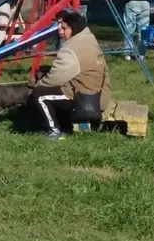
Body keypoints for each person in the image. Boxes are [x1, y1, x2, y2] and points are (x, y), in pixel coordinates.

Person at [27, 8, 111, 141]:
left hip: (85, 101)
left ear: (74, 28)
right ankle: (65, 123)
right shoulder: (88, 37)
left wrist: (37, 84)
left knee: (39, 94)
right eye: (58, 26)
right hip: (100, 94)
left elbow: (55, 79)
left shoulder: (71, 49)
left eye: (64, 28)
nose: (59, 30)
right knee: (49, 79)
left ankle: (54, 131)